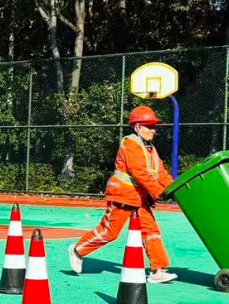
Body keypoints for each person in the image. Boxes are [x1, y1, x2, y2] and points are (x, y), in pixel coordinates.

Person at [70, 105, 177, 283]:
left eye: (154, 126)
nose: (153, 130)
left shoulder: (150, 149)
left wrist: (173, 188)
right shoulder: (130, 144)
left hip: (140, 197)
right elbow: (140, 172)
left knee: (151, 231)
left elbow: (160, 173)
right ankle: (77, 250)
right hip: (123, 196)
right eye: (149, 126)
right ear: (137, 127)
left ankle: (158, 270)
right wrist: (159, 191)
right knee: (110, 232)